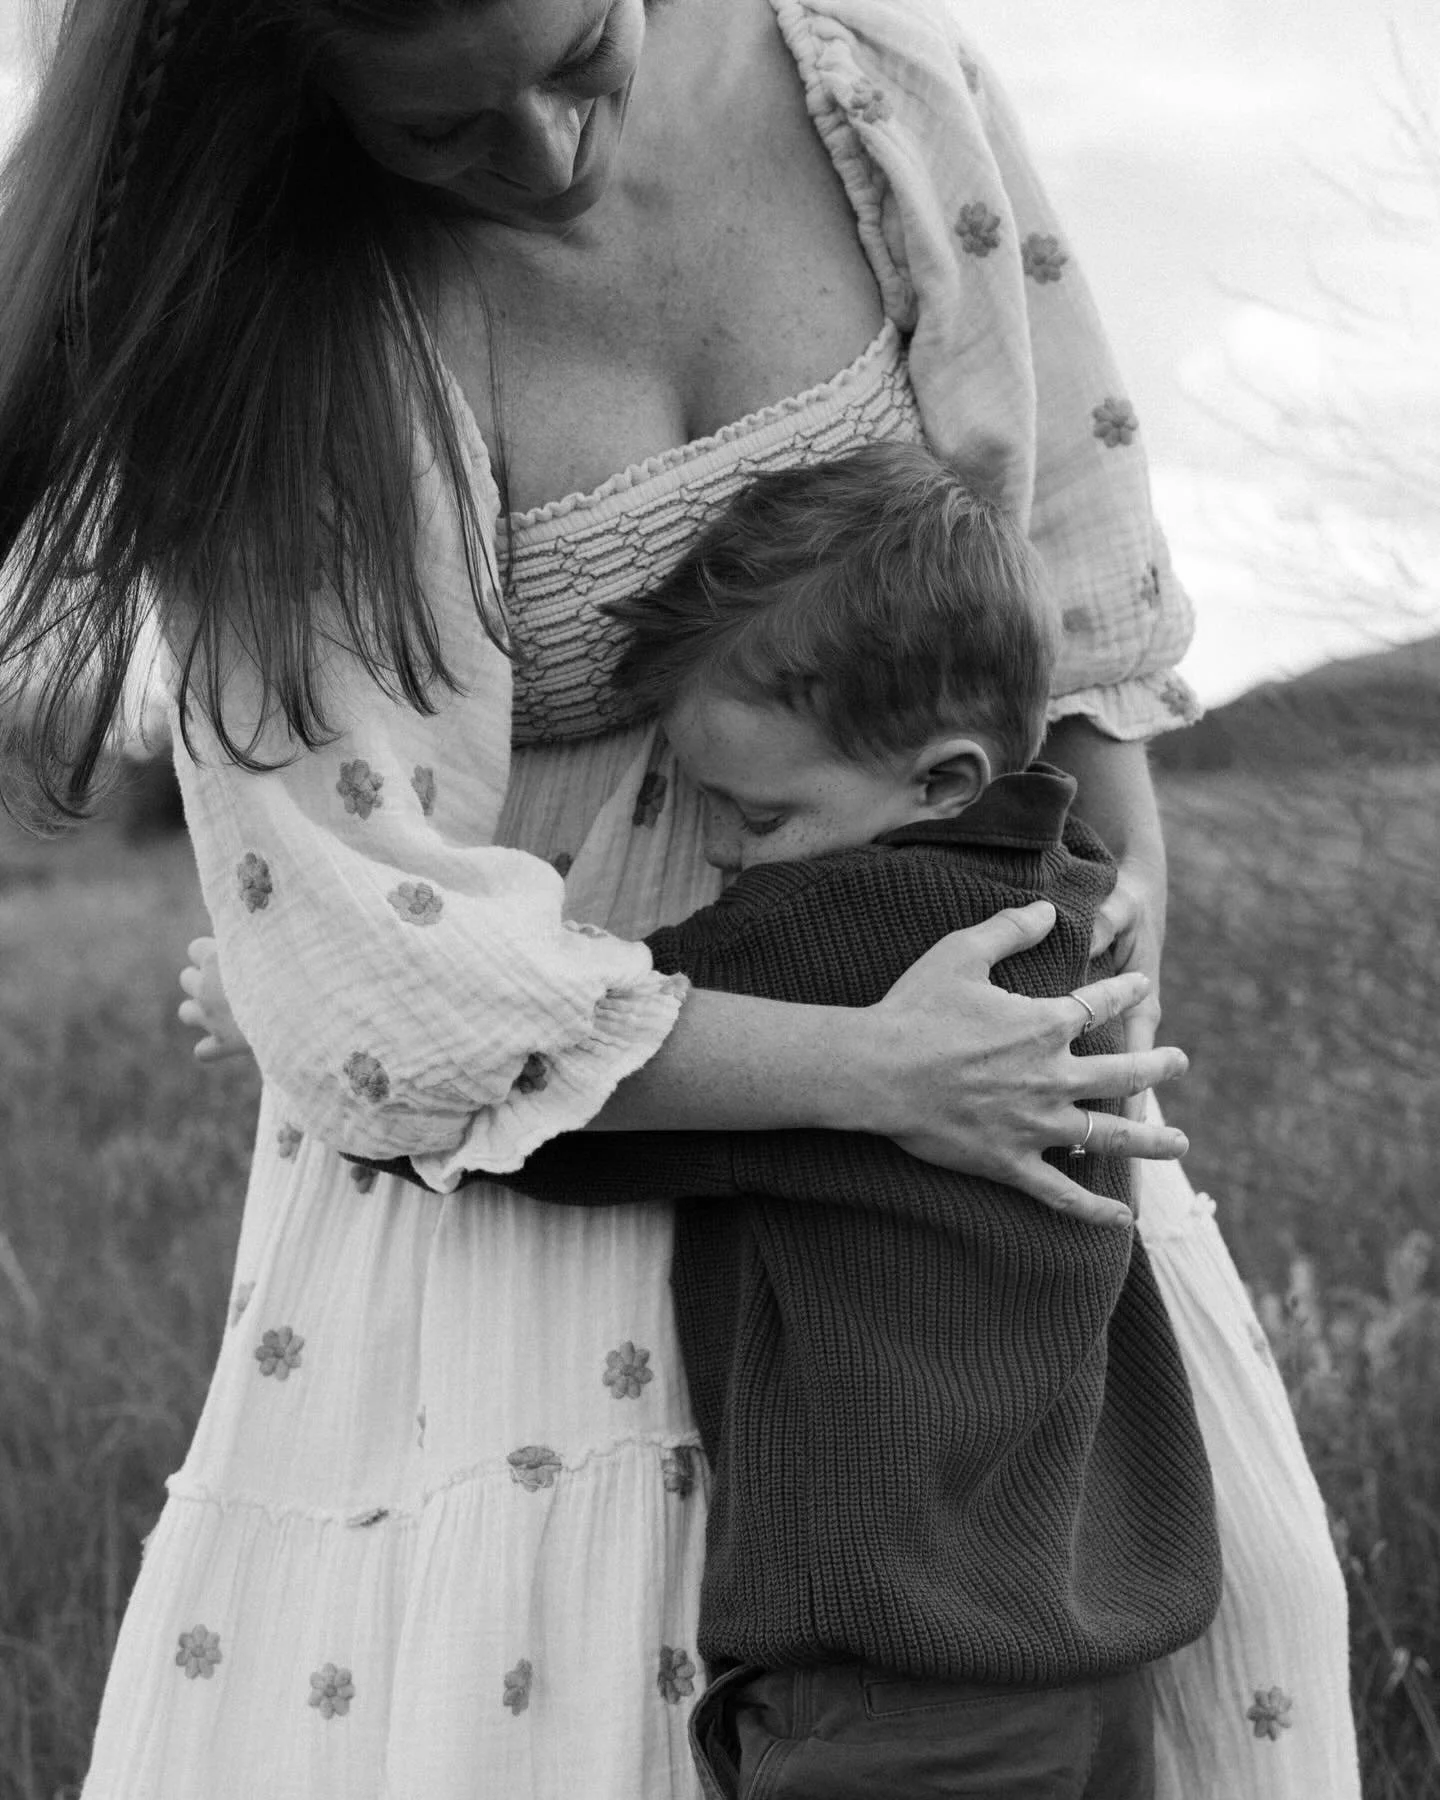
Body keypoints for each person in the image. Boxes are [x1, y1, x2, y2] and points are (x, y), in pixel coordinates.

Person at [0, 0, 1355, 1795]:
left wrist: (1109, 903)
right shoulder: (281, 318)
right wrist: (874, 1071)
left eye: (584, 56)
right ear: (297, 98)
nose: (549, 153)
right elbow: (367, 948)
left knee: (1045, 1649)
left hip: (969, 1116)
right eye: (441, 133)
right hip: (544, 1139)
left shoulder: (874, 79)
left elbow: (1072, 547)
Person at [429, 443, 1226, 1797]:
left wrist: (300, 1005)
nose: (726, 854)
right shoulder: (1071, 906)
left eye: (754, 812)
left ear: (942, 782)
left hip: (904, 1690)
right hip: (1089, 1659)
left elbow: (521, 1088)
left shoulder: (841, 930)